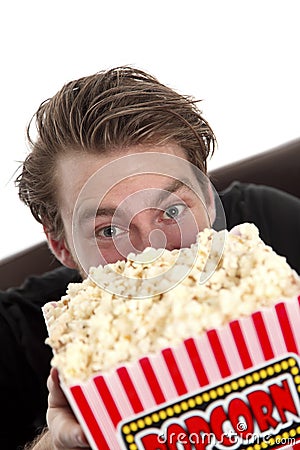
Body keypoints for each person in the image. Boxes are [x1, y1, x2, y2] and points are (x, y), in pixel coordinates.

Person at [1, 66, 299, 450]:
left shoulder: (268, 228)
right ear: (61, 245)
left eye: (172, 211)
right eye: (108, 230)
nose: (151, 254)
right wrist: (58, 445)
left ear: (209, 201)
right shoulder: (16, 338)